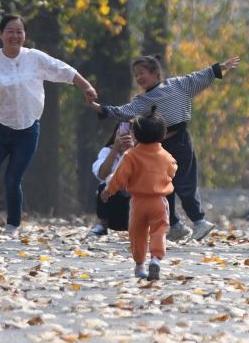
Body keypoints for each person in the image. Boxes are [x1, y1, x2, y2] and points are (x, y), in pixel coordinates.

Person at [0, 14, 100, 236]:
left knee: (13, 179)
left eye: (19, 31)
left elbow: (61, 69)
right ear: (1, 34)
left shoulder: (34, 58)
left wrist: (86, 86)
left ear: (25, 35)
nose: (15, 36)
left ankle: (12, 225)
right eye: (10, 31)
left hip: (27, 130)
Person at [97, 53, 240, 243]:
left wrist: (220, 68)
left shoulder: (178, 85)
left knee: (185, 183)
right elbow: (125, 111)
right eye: (136, 75)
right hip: (159, 146)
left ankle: (199, 221)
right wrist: (103, 110)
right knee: (162, 186)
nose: (139, 78)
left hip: (180, 141)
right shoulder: (142, 100)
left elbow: (200, 76)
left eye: (142, 73)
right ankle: (175, 225)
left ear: (156, 73)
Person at [103, 114, 177, 282]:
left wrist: (109, 190)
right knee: (159, 230)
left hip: (137, 202)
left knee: (138, 233)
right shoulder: (165, 156)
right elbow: (173, 170)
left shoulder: (131, 155)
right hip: (158, 201)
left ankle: (139, 265)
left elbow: (119, 177)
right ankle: (156, 259)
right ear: (162, 134)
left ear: (135, 134)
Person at [88, 121, 135, 237]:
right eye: (123, 132)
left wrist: (131, 152)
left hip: (133, 207)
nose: (126, 136)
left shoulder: (142, 153)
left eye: (130, 133)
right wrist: (115, 150)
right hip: (113, 205)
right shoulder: (107, 152)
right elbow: (102, 174)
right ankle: (102, 225)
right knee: (104, 186)